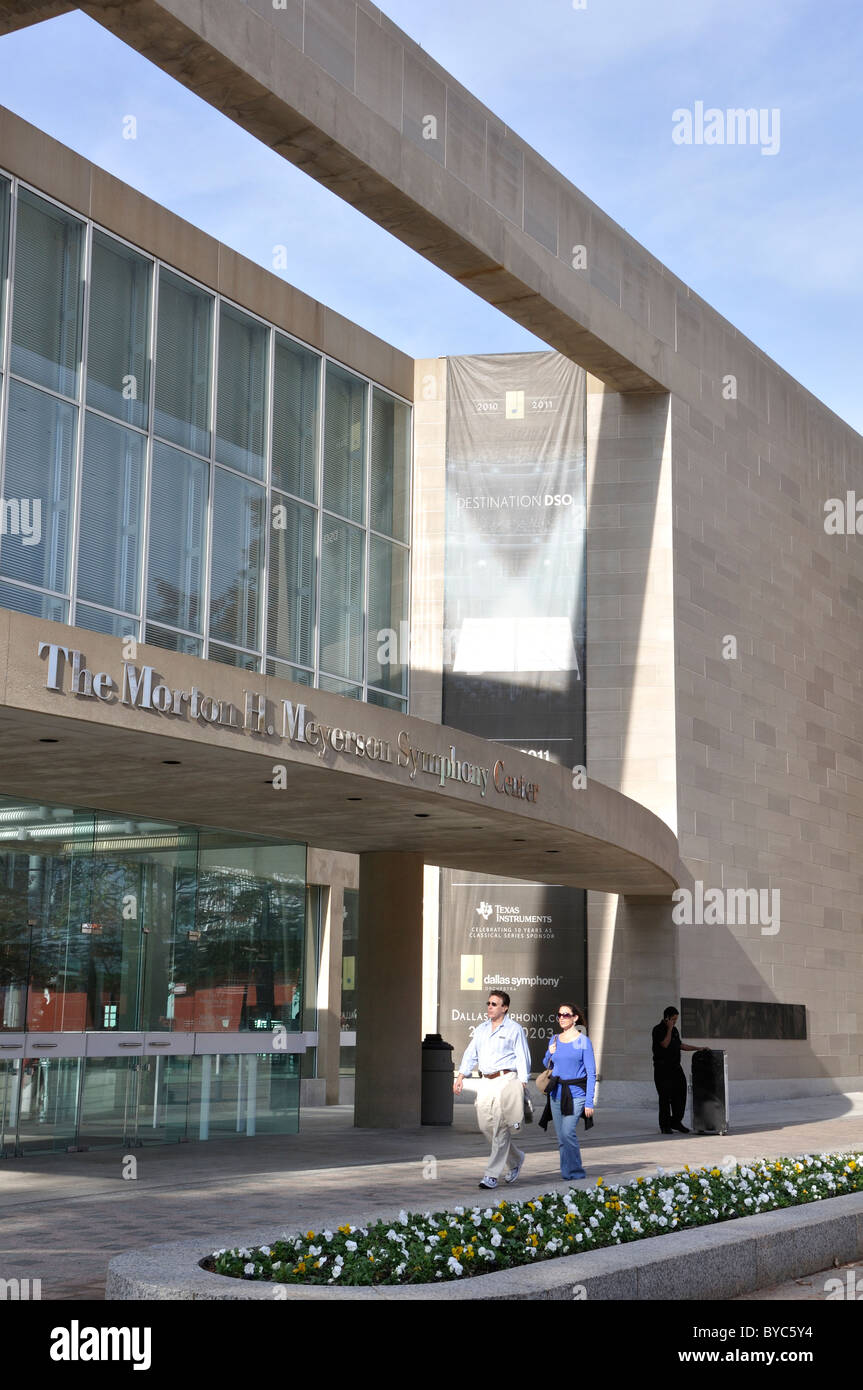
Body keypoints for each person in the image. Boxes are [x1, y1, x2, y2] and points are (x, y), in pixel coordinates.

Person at [453, 990, 531, 1190]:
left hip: (507, 1080)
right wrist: (461, 1076)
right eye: (488, 1003)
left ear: (505, 1008)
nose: (489, 1006)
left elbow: (523, 1056)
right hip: (486, 1081)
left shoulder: (514, 1029)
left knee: (500, 1126)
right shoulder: (481, 1029)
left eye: (494, 1004)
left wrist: (522, 1082)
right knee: (485, 1125)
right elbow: (471, 1053)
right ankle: (515, 1159)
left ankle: (491, 1175)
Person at [538, 1004, 595, 1181]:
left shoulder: (583, 1041)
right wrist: (549, 1051)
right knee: (561, 1136)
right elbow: (546, 1063)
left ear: (575, 1018)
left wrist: (589, 1102)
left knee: (568, 1132)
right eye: (559, 1015)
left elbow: (591, 1073)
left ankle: (577, 1173)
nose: (562, 1017)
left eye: (566, 1015)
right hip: (556, 1093)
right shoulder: (554, 1039)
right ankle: (566, 1173)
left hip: (576, 1094)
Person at [652, 1005, 700, 1133]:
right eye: (673, 1019)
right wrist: (669, 1028)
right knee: (665, 1098)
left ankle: (676, 1121)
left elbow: (680, 1045)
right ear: (666, 1018)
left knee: (680, 1093)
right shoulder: (658, 1030)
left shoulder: (674, 1030)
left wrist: (698, 1048)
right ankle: (665, 1125)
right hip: (662, 1069)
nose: (674, 1022)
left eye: (676, 1020)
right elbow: (665, 1044)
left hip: (675, 1068)